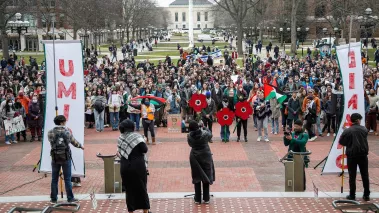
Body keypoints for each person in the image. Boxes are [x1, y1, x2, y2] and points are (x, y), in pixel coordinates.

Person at [117, 119, 151, 213]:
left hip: (125, 167)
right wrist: (143, 140)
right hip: (138, 167)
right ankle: (145, 211)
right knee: (142, 188)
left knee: (129, 190)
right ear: (132, 127)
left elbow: (120, 152)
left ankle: (131, 211)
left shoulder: (120, 137)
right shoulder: (137, 137)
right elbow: (144, 150)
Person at [48, 115, 84, 204]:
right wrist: (80, 146)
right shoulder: (67, 132)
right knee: (67, 179)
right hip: (65, 156)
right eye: (64, 121)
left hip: (55, 157)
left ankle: (53, 198)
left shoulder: (50, 132)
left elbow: (51, 142)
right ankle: (70, 198)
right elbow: (73, 141)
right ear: (61, 122)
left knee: (54, 179)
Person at [339, 113, 370, 201]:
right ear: (358, 120)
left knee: (352, 176)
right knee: (365, 175)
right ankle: (366, 194)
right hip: (363, 154)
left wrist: (349, 143)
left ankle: (352, 194)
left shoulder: (347, 131)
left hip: (351, 155)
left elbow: (342, 142)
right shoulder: (364, 129)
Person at [187, 120, 215, 204]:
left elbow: (190, 145)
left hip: (194, 156)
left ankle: (197, 198)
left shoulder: (189, 136)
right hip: (206, 155)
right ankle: (206, 198)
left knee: (197, 176)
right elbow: (210, 135)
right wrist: (204, 127)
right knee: (206, 174)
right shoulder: (205, 133)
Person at [283, 119, 309, 190]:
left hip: (300, 156)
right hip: (291, 155)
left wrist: (292, 139)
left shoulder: (305, 134)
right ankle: (292, 187)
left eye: (297, 126)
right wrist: (286, 138)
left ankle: (302, 187)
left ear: (301, 126)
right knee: (291, 171)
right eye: (294, 126)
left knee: (301, 172)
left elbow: (302, 142)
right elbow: (286, 144)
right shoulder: (293, 133)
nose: (295, 127)